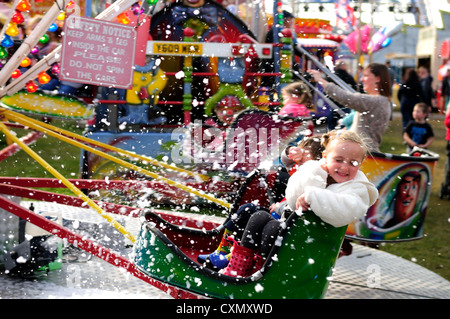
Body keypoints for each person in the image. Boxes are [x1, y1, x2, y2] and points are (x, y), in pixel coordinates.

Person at [220, 130, 378, 277]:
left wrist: (313, 196)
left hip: (314, 244)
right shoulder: (314, 169)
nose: (345, 167)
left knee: (273, 228)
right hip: (295, 234)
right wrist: (318, 172)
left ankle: (262, 271)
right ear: (325, 157)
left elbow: (343, 210)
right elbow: (293, 197)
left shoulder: (358, 189)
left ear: (361, 163)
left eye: (353, 163)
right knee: (259, 216)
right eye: (338, 160)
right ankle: (237, 268)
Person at [197, 135, 323, 270]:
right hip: (278, 214)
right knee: (247, 209)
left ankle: (233, 258)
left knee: (260, 221)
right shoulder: (298, 170)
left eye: (302, 162)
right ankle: (223, 250)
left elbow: (295, 205)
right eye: (298, 162)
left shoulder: (316, 180)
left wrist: (279, 207)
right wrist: (290, 151)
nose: (297, 166)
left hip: (284, 218)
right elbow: (286, 160)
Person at [308, 63, 392, 152]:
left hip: (364, 153)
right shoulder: (381, 101)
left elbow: (345, 97)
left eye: (366, 76)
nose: (361, 79)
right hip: (363, 152)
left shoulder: (376, 101)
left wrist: (320, 80)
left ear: (378, 78)